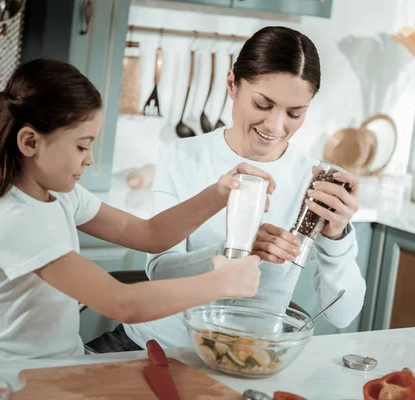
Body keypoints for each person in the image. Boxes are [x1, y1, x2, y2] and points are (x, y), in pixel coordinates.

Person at [0, 59, 273, 364]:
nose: (90, 158)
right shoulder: (13, 219)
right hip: (14, 379)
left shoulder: (61, 196)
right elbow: (121, 303)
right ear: (30, 143)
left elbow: (150, 235)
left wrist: (221, 192)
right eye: (82, 145)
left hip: (58, 367)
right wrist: (220, 283)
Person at [87, 26, 367, 352]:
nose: (276, 127)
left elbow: (344, 314)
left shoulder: (315, 181)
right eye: (263, 104)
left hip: (248, 357)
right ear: (232, 84)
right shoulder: (182, 156)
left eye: (294, 113)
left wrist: (338, 240)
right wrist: (235, 249)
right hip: (155, 345)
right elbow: (161, 270)